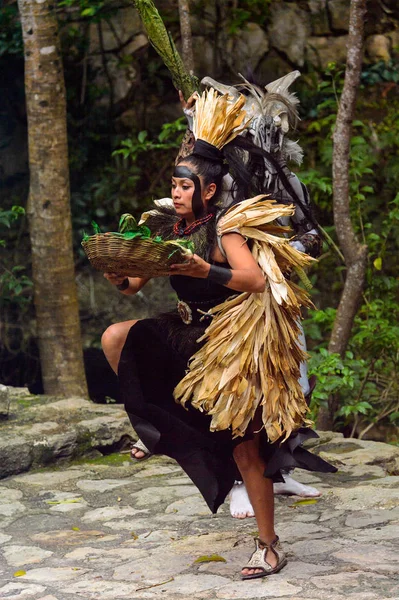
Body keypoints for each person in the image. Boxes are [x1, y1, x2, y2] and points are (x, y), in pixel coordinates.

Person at [102, 89, 336, 579]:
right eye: (175, 184)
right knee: (116, 337)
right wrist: (119, 275)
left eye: (186, 186)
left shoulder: (225, 226)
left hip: (230, 340)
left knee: (247, 447)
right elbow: (134, 286)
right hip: (183, 333)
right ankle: (171, 425)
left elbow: (253, 280)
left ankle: (268, 546)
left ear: (208, 191)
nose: (178, 192)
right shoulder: (170, 228)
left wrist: (201, 268)